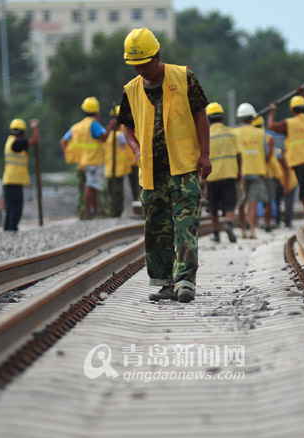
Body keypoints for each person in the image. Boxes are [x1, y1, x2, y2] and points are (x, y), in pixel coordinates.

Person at [117, 27, 210, 304]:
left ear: (157, 56)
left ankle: (185, 281)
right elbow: (128, 127)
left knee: (185, 224)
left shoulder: (183, 77)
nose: (141, 70)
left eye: (145, 64)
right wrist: (134, 148)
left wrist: (205, 155)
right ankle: (165, 282)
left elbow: (200, 115)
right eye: (136, 66)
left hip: (183, 167)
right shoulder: (131, 89)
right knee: (156, 228)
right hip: (151, 172)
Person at [268, 86, 304, 221]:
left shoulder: (289, 123)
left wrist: (272, 111)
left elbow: (271, 126)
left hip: (298, 161)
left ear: (292, 110)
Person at [60, 97, 110, 219]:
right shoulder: (94, 125)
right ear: (97, 112)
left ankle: (87, 213)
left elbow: (63, 141)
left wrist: (70, 156)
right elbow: (103, 137)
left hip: (81, 162)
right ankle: (91, 212)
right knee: (92, 186)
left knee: (86, 187)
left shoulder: (76, 126)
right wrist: (111, 126)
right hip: (93, 161)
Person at [234, 102, 273, 237]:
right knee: (254, 202)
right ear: (252, 117)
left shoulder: (235, 133)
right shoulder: (260, 133)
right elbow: (267, 156)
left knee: (241, 202)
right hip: (257, 171)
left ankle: (243, 230)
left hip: (241, 172)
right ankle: (252, 230)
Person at [204, 102, 239, 242]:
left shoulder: (206, 134)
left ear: (208, 118)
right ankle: (229, 223)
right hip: (230, 173)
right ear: (222, 117)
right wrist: (239, 172)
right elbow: (239, 154)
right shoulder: (232, 132)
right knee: (230, 203)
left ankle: (216, 233)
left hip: (212, 175)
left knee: (213, 205)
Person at [2, 117, 40, 232]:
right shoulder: (18, 142)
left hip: (9, 179)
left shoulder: (10, 141)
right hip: (15, 179)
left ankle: (8, 228)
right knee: (16, 207)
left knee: (10, 207)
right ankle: (12, 228)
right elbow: (34, 141)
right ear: (23, 132)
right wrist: (34, 127)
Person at [104, 105, 137, 218]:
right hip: (118, 168)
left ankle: (114, 213)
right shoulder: (118, 135)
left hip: (113, 168)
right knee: (117, 193)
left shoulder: (109, 134)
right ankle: (115, 213)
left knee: (114, 193)